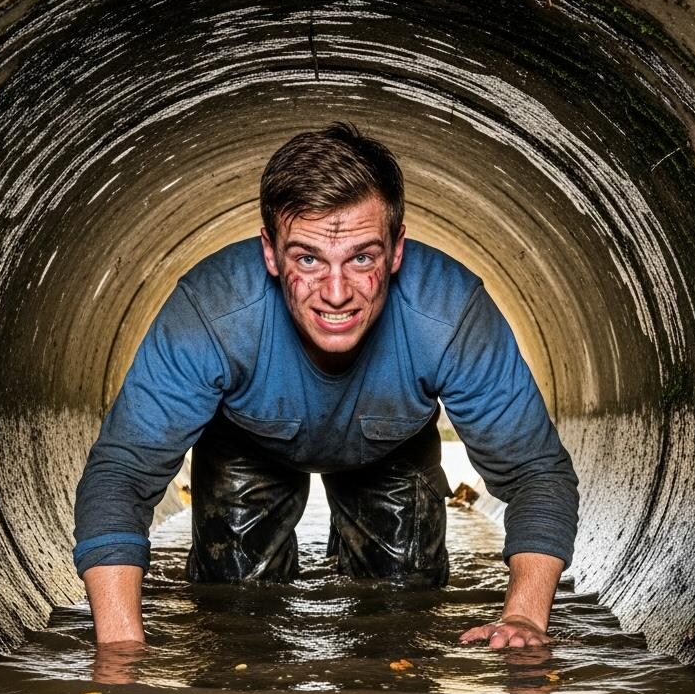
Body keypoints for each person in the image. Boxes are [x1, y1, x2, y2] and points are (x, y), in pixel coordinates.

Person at [73, 123, 578, 651]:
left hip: (392, 448)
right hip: (247, 441)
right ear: (270, 252)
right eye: (308, 259)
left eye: (362, 257)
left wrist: (524, 619)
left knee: (402, 608)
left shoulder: (448, 315)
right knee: (236, 609)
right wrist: (120, 653)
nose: (336, 294)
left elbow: (535, 472)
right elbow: (123, 474)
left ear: (397, 249)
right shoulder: (212, 314)